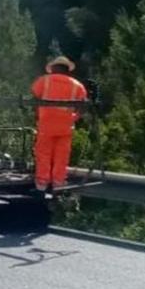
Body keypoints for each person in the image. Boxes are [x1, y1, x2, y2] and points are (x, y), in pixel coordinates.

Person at [31, 56, 88, 193]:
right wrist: (74, 118)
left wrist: (37, 115)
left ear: (53, 68)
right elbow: (83, 105)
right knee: (62, 155)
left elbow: (34, 98)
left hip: (46, 124)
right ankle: (58, 182)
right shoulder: (77, 85)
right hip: (65, 126)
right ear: (67, 69)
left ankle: (42, 182)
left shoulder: (43, 81)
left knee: (44, 154)